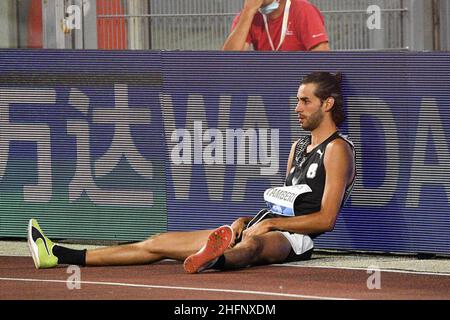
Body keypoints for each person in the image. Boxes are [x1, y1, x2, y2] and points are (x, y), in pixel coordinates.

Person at [27, 71, 356, 273]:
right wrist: (249, 220)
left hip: (294, 240)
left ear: (326, 104)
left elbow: (325, 219)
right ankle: (57, 254)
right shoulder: (298, 147)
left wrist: (269, 224)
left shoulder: (338, 149)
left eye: (305, 101)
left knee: (255, 249)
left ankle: (215, 258)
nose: (296, 108)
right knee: (158, 243)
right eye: (297, 101)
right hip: (259, 225)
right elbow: (284, 203)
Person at [222, 0, 330, 51]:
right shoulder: (247, 16)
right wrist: (248, 11)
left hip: (301, 83)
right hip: (268, 85)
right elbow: (228, 61)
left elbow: (322, 57)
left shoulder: (303, 10)